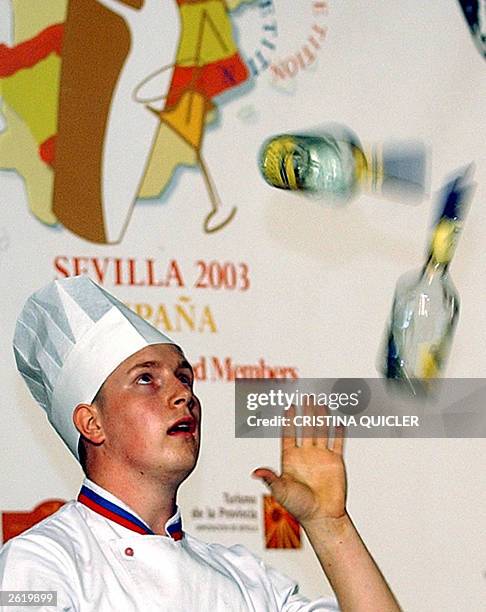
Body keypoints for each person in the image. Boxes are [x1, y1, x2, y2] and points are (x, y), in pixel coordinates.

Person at [0, 276, 401, 611]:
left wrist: (329, 526)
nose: (182, 395)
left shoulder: (247, 580)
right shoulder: (40, 563)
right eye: (146, 379)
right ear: (92, 423)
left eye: (185, 378)